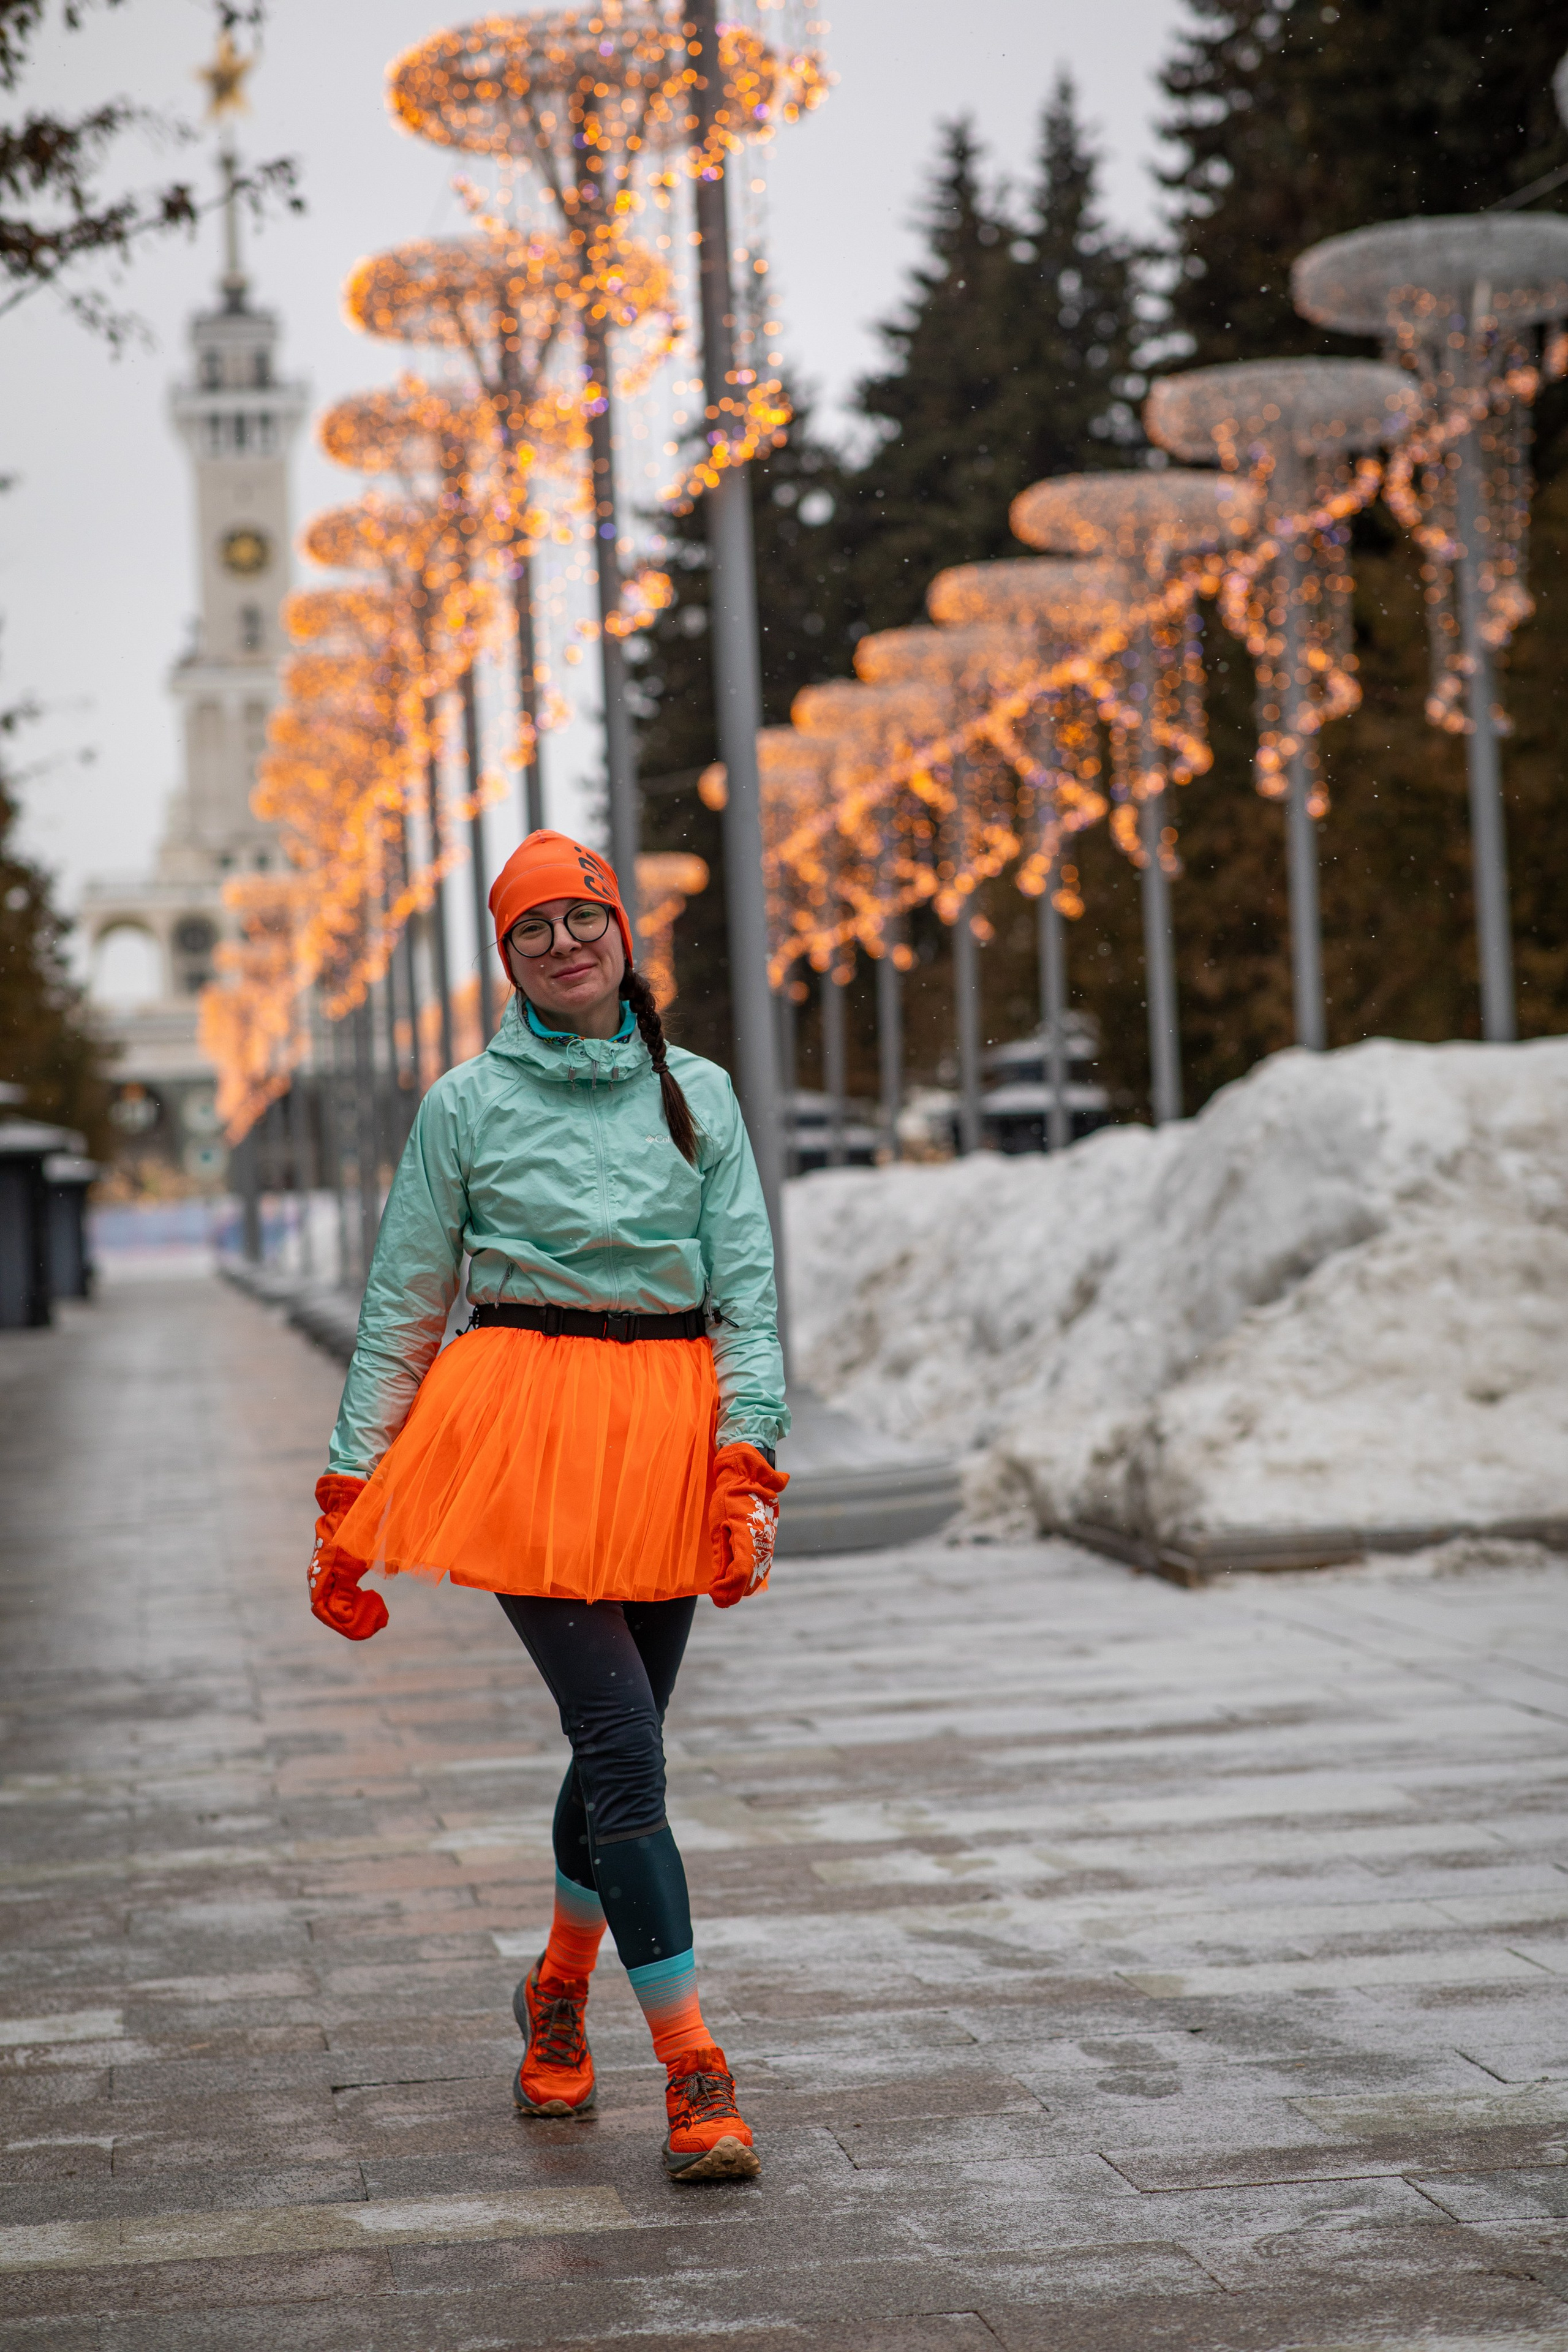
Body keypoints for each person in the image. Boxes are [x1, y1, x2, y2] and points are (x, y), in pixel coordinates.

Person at [305, 830, 788, 2184]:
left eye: (583, 920)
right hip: (521, 1432)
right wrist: (349, 1489)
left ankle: (559, 1990)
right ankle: (695, 2072)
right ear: (506, 959)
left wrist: (745, 1456)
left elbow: (744, 1292)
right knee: (625, 1743)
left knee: (612, 1753)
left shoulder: (698, 1092)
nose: (564, 945)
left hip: (666, 1438)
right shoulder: (462, 1104)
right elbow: (405, 1303)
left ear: (623, 934)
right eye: (534, 931)